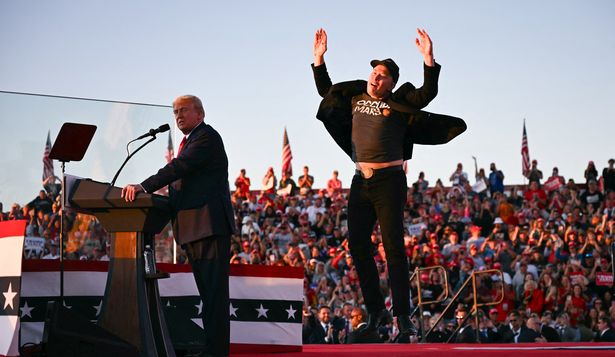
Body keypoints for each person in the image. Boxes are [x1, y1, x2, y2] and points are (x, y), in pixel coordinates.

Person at [311, 27, 465, 340]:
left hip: (389, 181)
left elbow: (426, 94)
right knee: (357, 245)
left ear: (391, 82)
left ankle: (403, 315)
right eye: (373, 72)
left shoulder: (398, 102)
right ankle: (375, 309)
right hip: (360, 181)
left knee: (394, 248)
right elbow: (326, 92)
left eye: (382, 75)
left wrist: (428, 60)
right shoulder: (355, 97)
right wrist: (318, 59)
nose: (375, 78)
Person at [122, 95, 235, 356]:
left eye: (184, 110)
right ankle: (213, 349)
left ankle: (216, 352)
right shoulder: (190, 141)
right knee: (209, 295)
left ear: (200, 114)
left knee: (214, 297)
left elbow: (180, 167)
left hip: (208, 227)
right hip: (196, 229)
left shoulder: (206, 137)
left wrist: (144, 186)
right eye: (175, 112)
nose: (178, 115)